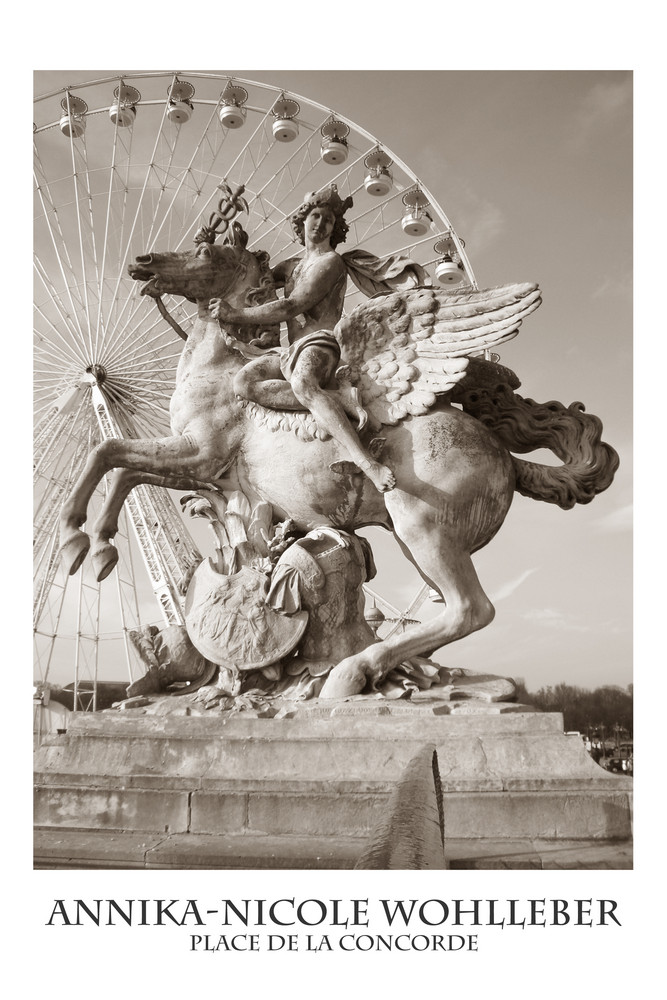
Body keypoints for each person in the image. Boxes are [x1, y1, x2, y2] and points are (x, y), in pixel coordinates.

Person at [209, 185, 411, 493]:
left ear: (335, 229)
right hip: (287, 352)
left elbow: (292, 305)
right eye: (315, 216)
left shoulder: (330, 263)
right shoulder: (290, 266)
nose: (320, 224)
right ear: (302, 221)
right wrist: (213, 254)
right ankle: (336, 401)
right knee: (242, 384)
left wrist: (235, 315)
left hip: (319, 344)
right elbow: (250, 278)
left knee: (304, 384)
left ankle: (366, 463)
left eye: (328, 221)